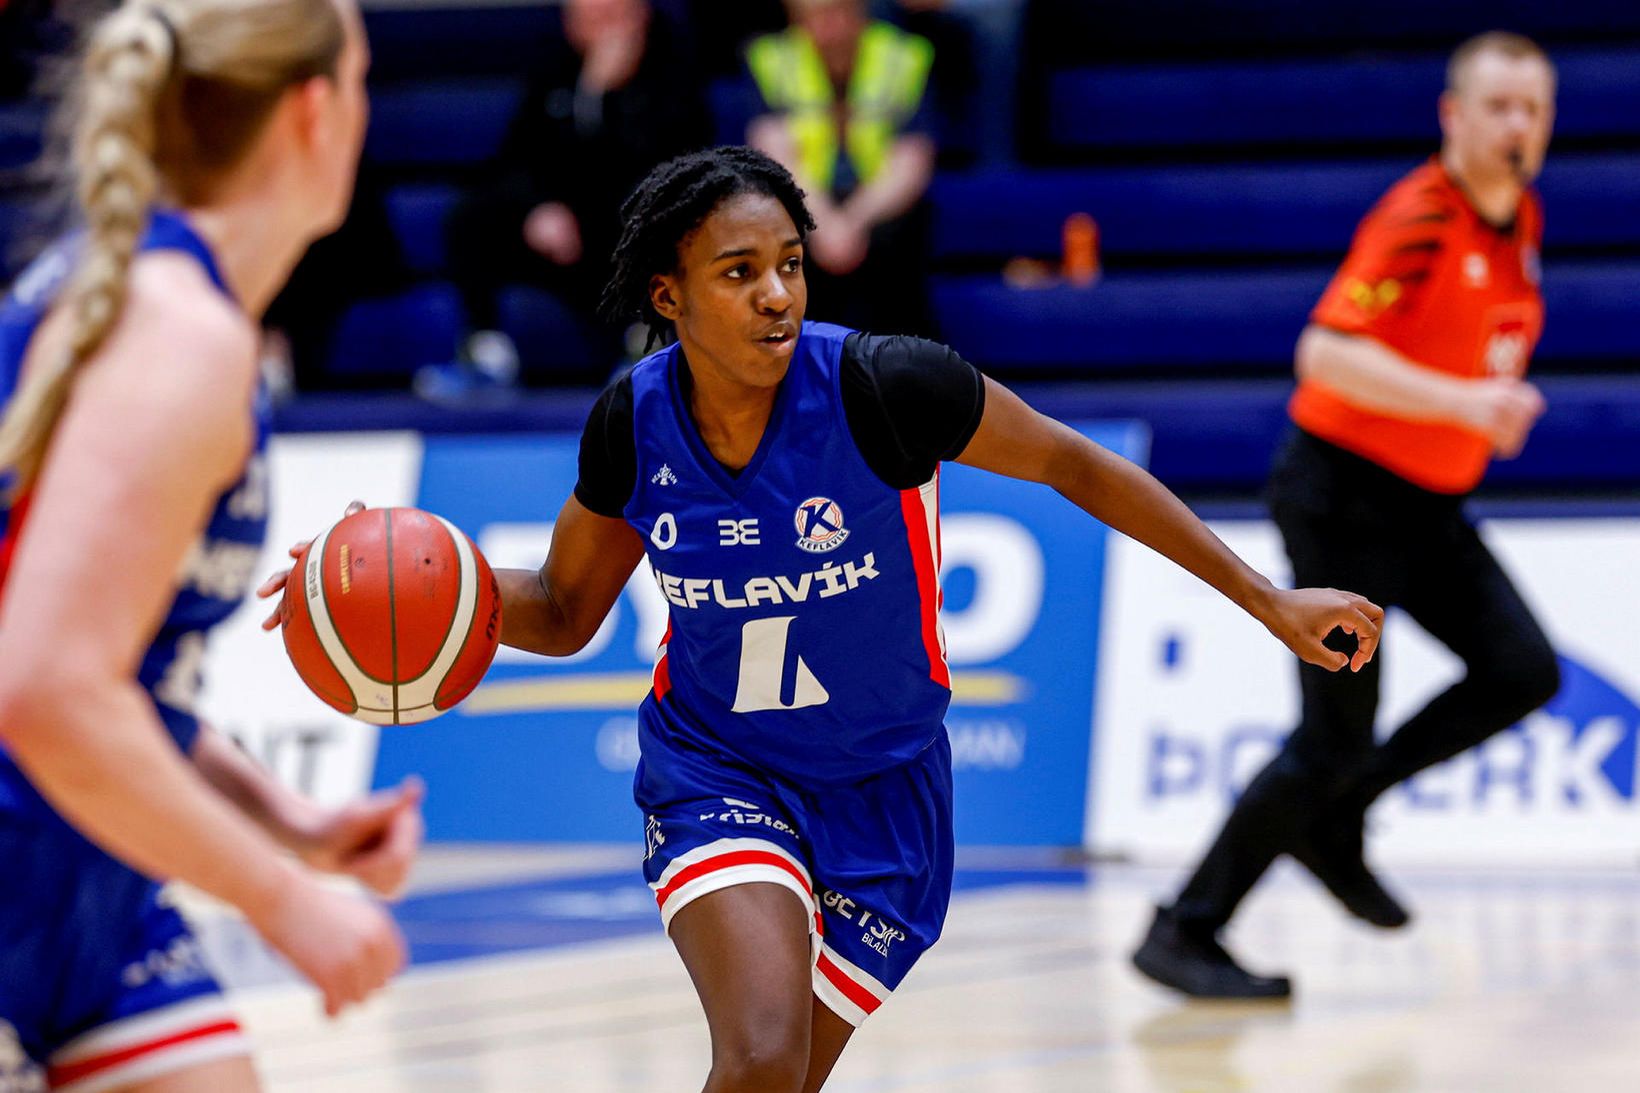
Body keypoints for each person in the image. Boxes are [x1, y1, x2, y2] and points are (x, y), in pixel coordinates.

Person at [260, 146, 1379, 1091]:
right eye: (738, 272)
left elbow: (1074, 466)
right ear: (668, 296)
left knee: (781, 1081)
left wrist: (1267, 599)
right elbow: (559, 610)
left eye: (789, 264)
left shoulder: (886, 387)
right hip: (717, 767)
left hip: (887, 792)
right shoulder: (632, 425)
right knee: (759, 1053)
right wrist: (398, 589)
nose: (777, 295)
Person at [0, 1, 422, 1089]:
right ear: (314, 112)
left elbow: (111, 673)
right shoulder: (174, 335)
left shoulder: (172, 310)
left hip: (90, 882)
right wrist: (283, 901)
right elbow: (44, 689)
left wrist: (289, 823)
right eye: (364, 80)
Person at [1133, 30, 1560, 1001]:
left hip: (1426, 503)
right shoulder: (1420, 216)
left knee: (1520, 669)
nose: (1517, 125)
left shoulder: (1519, 218)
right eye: (1497, 106)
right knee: (1330, 736)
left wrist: (1485, 402)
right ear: (1452, 117)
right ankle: (1184, 927)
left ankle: (1339, 811)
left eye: (1533, 108)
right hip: (1342, 496)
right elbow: (1324, 353)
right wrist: (1464, 403)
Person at [430, 0, 710, 395]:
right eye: (584, 20)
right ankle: (486, 355)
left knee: (653, 214)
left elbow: (663, 166)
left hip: (623, 237)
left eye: (609, 19)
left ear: (639, 16)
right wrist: (537, 208)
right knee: (471, 216)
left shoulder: (673, 67)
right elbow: (518, 156)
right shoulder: (555, 65)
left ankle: (644, 349)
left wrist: (600, 98)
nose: (599, 34)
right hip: (560, 232)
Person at [747, 0, 939, 337]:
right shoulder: (772, 59)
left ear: (859, 12)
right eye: (816, 19)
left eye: (838, 14)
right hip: (806, 200)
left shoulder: (902, 56)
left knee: (900, 240)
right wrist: (824, 223)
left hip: (878, 205)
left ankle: (898, 360)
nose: (829, 30)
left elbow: (911, 159)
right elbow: (773, 152)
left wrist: (854, 221)